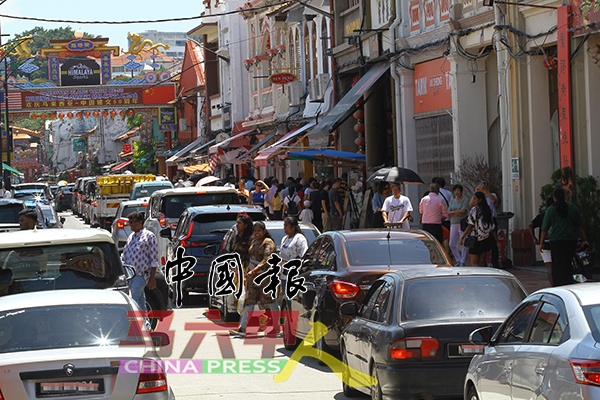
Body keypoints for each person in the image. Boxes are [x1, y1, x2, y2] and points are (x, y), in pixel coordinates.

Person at [233, 221, 278, 337]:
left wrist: (254, 271)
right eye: (255, 231)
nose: (257, 233)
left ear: (264, 231)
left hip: (265, 276)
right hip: (252, 277)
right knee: (250, 300)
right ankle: (242, 328)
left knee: (270, 301)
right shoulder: (253, 242)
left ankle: (276, 328)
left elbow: (267, 259)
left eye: (259, 230)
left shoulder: (268, 243)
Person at [540, 187, 589, 287]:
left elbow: (544, 228)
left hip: (556, 241)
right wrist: (585, 239)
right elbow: (581, 225)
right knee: (568, 262)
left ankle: (559, 285)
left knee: (557, 265)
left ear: (554, 197)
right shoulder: (573, 208)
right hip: (571, 240)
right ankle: (569, 282)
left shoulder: (551, 210)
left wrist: (541, 243)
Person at [120, 211, 158, 321]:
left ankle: (133, 327)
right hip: (130, 275)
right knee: (141, 303)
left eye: (133, 222)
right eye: (129, 222)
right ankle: (146, 326)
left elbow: (154, 259)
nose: (131, 225)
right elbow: (125, 255)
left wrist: (152, 278)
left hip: (141, 274)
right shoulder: (131, 237)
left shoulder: (149, 236)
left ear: (140, 222)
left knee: (132, 300)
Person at [460, 192, 499, 267]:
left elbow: (471, 224)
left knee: (474, 262)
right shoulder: (488, 210)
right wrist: (497, 241)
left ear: (480, 200)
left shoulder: (475, 210)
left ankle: (477, 277)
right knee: (482, 262)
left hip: (476, 238)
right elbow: (492, 227)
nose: (473, 200)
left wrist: (463, 236)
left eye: (475, 199)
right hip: (485, 237)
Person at [529, 197, 555, 285]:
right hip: (556, 242)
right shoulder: (558, 214)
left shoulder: (542, 216)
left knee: (549, 266)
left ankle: (553, 285)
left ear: (546, 206)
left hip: (544, 244)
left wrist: (534, 238)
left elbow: (531, 225)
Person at [280, 217, 308, 293]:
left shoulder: (299, 238)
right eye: (284, 225)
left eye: (287, 225)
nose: (284, 228)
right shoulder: (284, 239)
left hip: (294, 276)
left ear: (293, 227)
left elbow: (304, 255)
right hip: (284, 274)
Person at [476, 180, 500, 268]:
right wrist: (477, 192)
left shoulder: (492, 195)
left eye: (485, 184)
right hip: (481, 221)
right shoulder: (479, 197)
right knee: (483, 242)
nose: (483, 186)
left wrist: (485, 191)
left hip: (491, 219)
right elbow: (472, 204)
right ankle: (483, 263)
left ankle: (495, 263)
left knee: (494, 242)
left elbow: (494, 200)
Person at [448, 184, 470, 266]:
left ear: (461, 191)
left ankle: (462, 261)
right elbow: (448, 213)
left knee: (463, 242)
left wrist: (453, 213)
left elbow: (463, 211)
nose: (456, 192)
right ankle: (458, 259)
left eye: (458, 190)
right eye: (455, 191)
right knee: (451, 244)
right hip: (453, 223)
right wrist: (457, 212)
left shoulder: (465, 200)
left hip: (462, 223)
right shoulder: (452, 201)